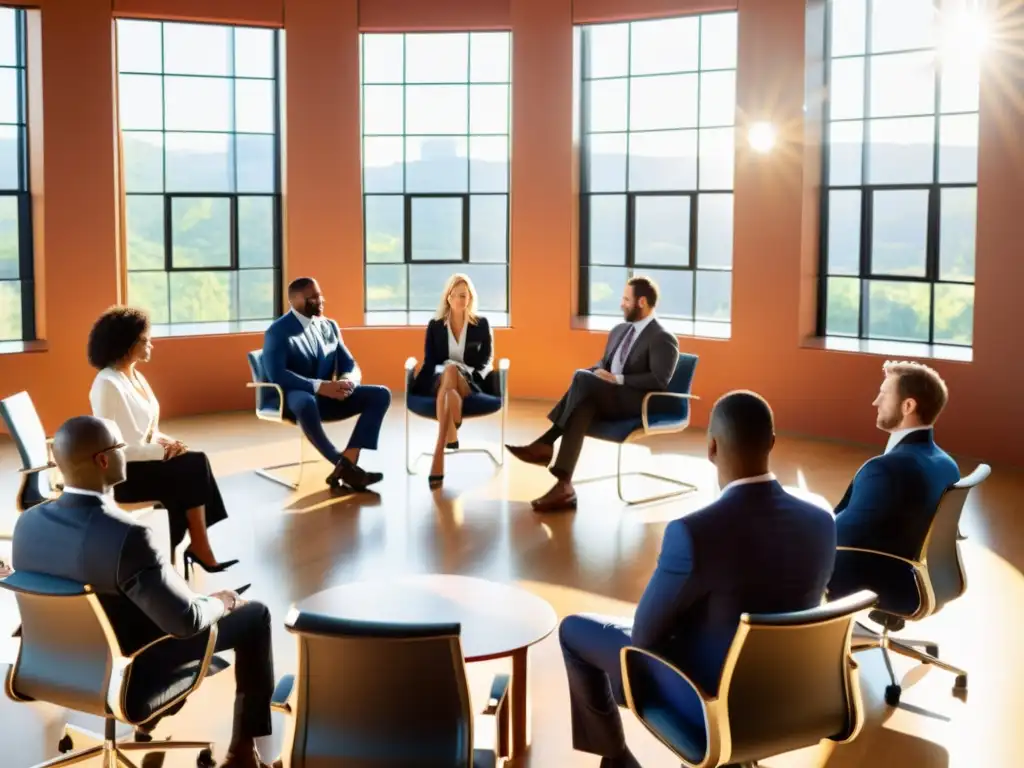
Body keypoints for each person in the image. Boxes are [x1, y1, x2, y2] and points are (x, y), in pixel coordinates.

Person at [558, 391, 836, 768]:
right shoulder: (821, 521)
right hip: (792, 698)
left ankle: (616, 758)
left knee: (574, 631)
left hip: (708, 700)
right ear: (771, 442)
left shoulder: (695, 533)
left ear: (711, 449)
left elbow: (643, 637)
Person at [11, 416, 278, 768]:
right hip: (129, 675)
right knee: (254, 615)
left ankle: (156, 720)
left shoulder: (27, 524)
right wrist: (222, 601)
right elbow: (185, 623)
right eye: (121, 447)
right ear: (104, 461)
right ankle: (242, 752)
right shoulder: (128, 536)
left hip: (49, 669)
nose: (126, 454)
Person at [506, 276, 679, 511]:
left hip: (635, 403)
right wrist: (594, 374)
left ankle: (546, 442)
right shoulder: (619, 330)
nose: (621, 304)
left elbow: (659, 380)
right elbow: (603, 364)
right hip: (608, 397)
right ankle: (564, 486)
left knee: (581, 378)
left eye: (626, 299)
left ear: (641, 302)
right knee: (583, 406)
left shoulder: (662, 337)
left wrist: (618, 379)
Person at [88, 306, 236, 575]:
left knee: (192, 463)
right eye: (145, 340)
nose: (151, 345)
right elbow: (111, 449)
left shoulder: (136, 376)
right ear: (127, 343)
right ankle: (198, 547)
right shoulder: (107, 384)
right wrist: (160, 452)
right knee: (193, 467)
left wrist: (169, 443)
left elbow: (148, 429)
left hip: (146, 462)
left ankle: (194, 547)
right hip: (124, 475)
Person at [828, 361, 960, 612]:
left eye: (884, 394)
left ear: (908, 406)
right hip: (927, 577)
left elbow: (837, 536)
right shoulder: (946, 463)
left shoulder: (887, 470)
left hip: (884, 581)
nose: (875, 402)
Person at [262, 277, 391, 492]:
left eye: (320, 295)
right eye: (312, 297)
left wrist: (348, 381)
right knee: (305, 401)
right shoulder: (277, 332)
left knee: (381, 394)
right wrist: (319, 386)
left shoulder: (329, 326)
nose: (320, 300)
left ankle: (346, 465)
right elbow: (277, 374)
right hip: (295, 396)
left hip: (328, 396)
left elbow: (350, 363)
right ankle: (340, 463)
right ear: (294, 301)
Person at [410, 273, 498, 488]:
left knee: (452, 371)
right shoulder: (435, 326)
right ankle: (451, 434)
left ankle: (439, 449)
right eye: (458, 295)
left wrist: (476, 376)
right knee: (448, 388)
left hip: (469, 380)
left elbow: (487, 360)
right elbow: (430, 360)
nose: (462, 300)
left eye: (466, 296)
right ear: (448, 297)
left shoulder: (481, 324)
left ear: (470, 298)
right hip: (441, 380)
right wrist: (418, 387)